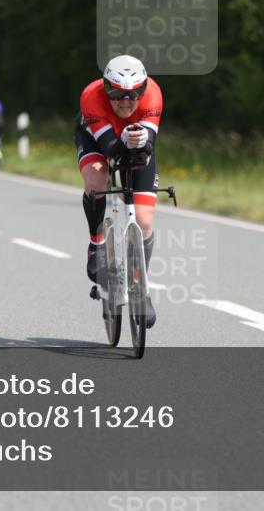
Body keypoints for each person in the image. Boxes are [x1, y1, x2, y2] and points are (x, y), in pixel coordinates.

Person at [75, 55, 162, 328]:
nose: (126, 100)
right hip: (96, 137)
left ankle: (141, 286)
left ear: (144, 89)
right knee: (97, 178)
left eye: (134, 94)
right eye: (117, 94)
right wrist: (122, 140)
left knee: (144, 221)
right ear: (105, 88)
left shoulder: (153, 95)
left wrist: (142, 141)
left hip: (134, 141)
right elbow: (110, 148)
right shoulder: (91, 96)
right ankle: (96, 244)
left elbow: (148, 146)